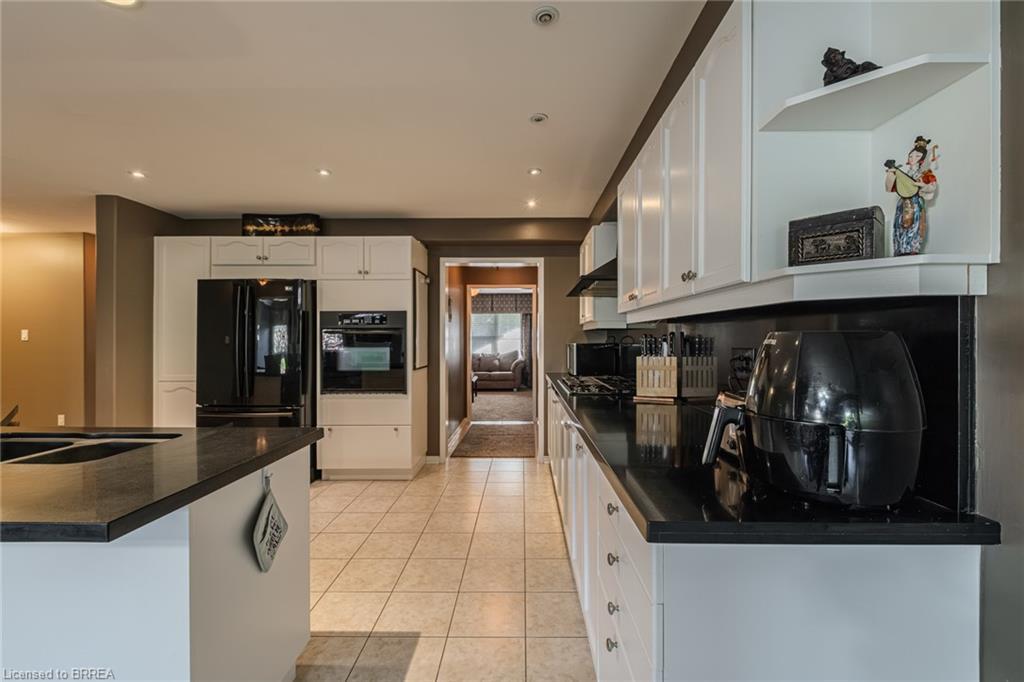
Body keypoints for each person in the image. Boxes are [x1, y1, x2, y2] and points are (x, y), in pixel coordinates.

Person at [884, 135, 938, 256]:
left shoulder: (925, 173)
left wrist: (922, 185)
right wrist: (891, 174)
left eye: (917, 156)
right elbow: (889, 188)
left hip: (915, 203)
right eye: (911, 156)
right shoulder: (904, 174)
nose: (913, 158)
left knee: (913, 226)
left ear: (922, 159)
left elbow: (931, 187)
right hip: (902, 204)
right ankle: (899, 248)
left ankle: (911, 248)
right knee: (899, 225)